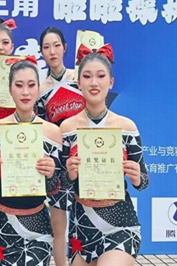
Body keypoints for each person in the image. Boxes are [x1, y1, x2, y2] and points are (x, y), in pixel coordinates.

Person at [60, 44, 148, 266]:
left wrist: (137, 177)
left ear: (111, 82)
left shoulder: (127, 127)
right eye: (87, 76)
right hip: (82, 226)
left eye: (101, 76)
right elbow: (59, 186)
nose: (94, 82)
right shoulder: (67, 129)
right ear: (78, 83)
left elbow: (144, 181)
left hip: (120, 223)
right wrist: (69, 174)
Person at [0, 57, 63, 266]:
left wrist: (51, 174)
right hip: (2, 225)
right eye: (19, 85)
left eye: (31, 85)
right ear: (9, 90)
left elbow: (55, 189)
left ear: (38, 88)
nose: (25, 92)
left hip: (38, 224)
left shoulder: (52, 132)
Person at [36, 27, 86, 266]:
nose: (52, 51)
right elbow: (39, 128)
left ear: (65, 48)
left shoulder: (81, 78)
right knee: (58, 225)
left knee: (84, 220)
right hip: (57, 162)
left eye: (56, 45)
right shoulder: (40, 89)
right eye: (46, 47)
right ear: (41, 52)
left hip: (86, 158)